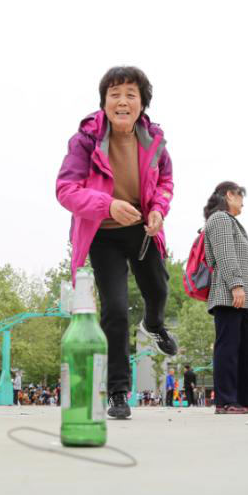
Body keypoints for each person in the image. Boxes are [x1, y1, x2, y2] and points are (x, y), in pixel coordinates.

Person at [55, 66, 178, 420]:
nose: (122, 101)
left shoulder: (154, 141)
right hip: (103, 232)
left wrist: (158, 209)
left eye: (130, 95)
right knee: (115, 309)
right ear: (104, 102)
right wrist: (107, 206)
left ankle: (154, 325)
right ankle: (118, 392)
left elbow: (166, 181)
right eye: (115, 94)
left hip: (141, 228)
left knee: (158, 289)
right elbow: (65, 190)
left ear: (142, 103)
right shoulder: (85, 141)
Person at [203, 182, 248, 414]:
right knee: (228, 347)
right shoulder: (220, 219)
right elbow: (225, 254)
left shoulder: (230, 221)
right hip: (228, 294)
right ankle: (225, 400)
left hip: (240, 298)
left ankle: (246, 399)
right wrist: (236, 285)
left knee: (246, 346)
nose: (243, 203)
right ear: (229, 195)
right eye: (241, 197)